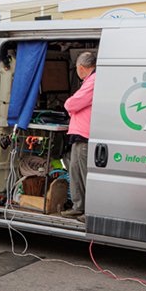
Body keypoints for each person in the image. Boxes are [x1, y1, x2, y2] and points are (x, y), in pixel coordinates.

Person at [61, 51, 96, 223]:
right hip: (78, 134)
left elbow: (73, 103)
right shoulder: (89, 81)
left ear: (81, 68)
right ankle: (78, 206)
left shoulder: (93, 81)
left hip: (85, 136)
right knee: (74, 170)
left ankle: (87, 210)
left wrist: (69, 104)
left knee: (83, 174)